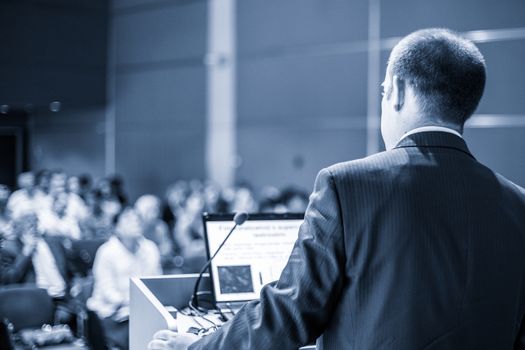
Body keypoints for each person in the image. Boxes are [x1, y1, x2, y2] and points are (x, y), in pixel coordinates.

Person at [149, 28, 525, 349]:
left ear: (395, 90)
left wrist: (197, 344)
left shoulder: (348, 185)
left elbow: (288, 314)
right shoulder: (517, 203)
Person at [88, 208, 161, 349]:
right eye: (127, 219)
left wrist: (139, 306)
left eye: (137, 218)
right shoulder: (106, 252)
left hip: (141, 310)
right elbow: (109, 294)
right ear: (116, 228)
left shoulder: (151, 248)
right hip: (110, 313)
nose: (134, 222)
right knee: (141, 331)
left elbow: (155, 284)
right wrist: (135, 304)